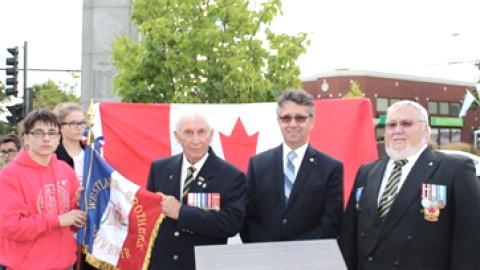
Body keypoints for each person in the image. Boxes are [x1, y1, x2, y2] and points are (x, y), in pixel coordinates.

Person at [339, 100, 480, 269]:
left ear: (426, 131)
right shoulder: (367, 171)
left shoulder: (454, 169)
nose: (398, 130)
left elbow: (471, 239)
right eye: (391, 125)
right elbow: (350, 235)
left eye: (407, 124)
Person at [146, 110, 246, 270]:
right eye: (188, 132)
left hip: (203, 265)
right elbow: (149, 219)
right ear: (177, 136)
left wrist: (181, 213)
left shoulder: (231, 176)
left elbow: (231, 224)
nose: (195, 140)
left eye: (201, 132)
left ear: (211, 134)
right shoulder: (159, 169)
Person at [241, 89, 344, 242]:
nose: (293, 124)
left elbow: (331, 222)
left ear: (312, 121)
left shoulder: (331, 168)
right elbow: (248, 218)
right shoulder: (258, 165)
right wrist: (269, 249)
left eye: (300, 118)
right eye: (286, 118)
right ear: (278, 121)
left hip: (309, 259)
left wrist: (294, 251)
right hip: (265, 258)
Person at [0, 109, 86, 269]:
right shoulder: (9, 175)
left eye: (52, 132)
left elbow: (73, 223)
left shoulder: (65, 170)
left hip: (65, 264)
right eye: (39, 133)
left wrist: (80, 204)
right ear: (25, 138)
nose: (46, 138)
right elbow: (10, 226)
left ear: (59, 138)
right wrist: (58, 220)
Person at [54, 102, 87, 185]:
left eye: (82, 123)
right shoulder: (53, 156)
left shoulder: (92, 153)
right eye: (73, 123)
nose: (79, 127)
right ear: (59, 126)